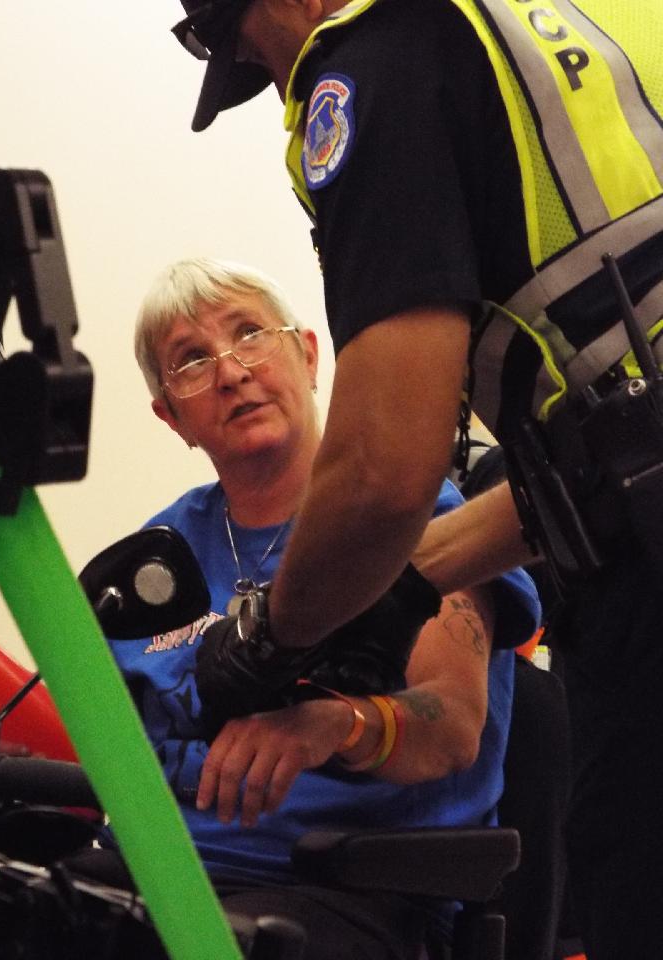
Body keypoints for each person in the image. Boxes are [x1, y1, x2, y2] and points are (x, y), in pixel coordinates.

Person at [171, 2, 663, 956]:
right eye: (188, 361)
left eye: (247, 58)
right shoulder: (574, 24)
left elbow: (383, 472)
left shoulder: (375, 59)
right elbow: (607, 452)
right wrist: (399, 588)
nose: (280, 87)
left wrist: (273, 639)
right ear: (168, 412)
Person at [101, 257, 540, 959]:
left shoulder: (414, 518)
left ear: (306, 355)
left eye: (249, 333)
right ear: (171, 416)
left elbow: (453, 725)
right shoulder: (154, 559)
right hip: (151, 874)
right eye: (191, 360)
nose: (231, 371)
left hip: (337, 887)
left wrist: (334, 726)